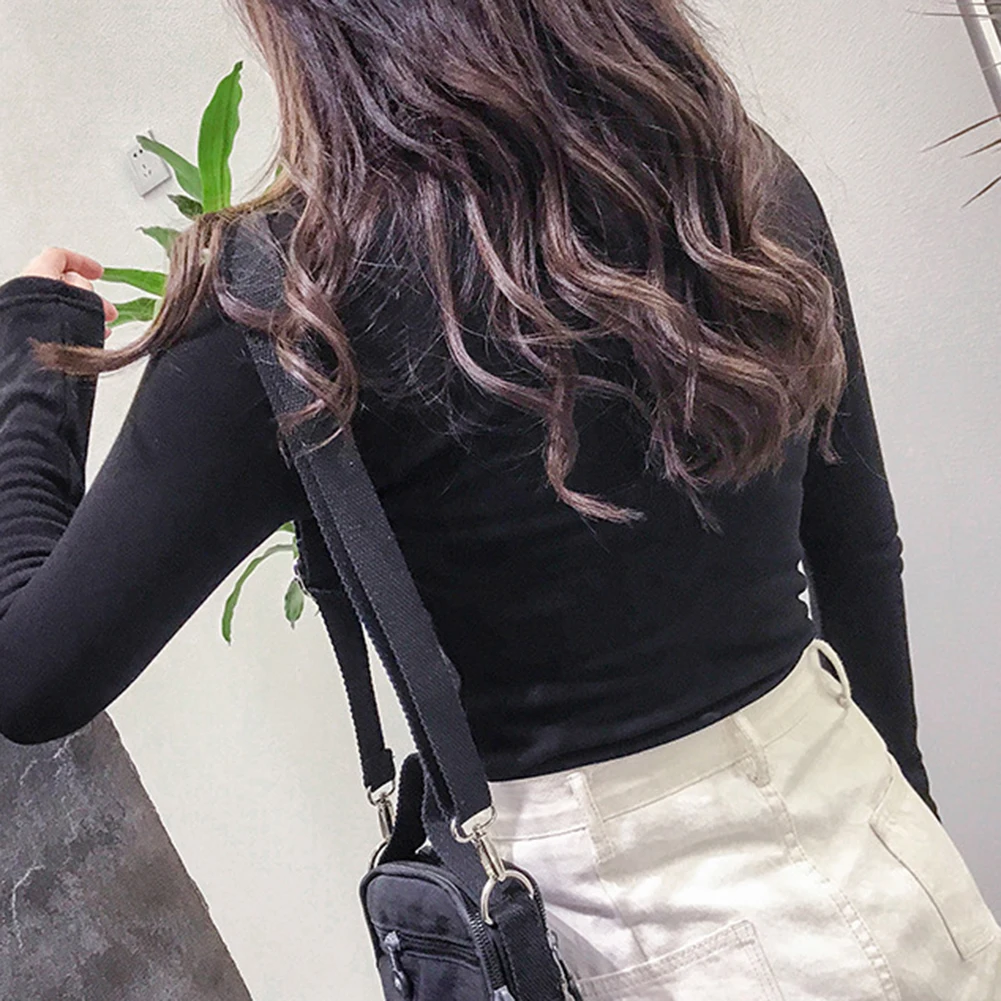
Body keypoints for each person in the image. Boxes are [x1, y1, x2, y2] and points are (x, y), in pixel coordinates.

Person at [1, 0, 998, 997]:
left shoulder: (291, 299)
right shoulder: (731, 173)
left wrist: (31, 353)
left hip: (640, 932)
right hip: (877, 847)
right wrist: (900, 810)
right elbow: (856, 547)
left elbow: (34, 673)